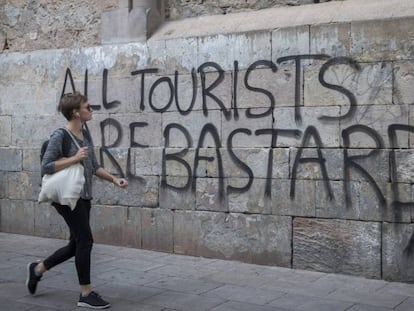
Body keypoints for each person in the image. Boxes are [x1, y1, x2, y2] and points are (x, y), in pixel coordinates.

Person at [26, 92, 128, 309]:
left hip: (83, 195)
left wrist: (113, 179)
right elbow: (46, 166)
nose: (91, 110)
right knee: (86, 241)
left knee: (76, 244)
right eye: (87, 107)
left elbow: (92, 165)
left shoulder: (85, 132)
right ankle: (86, 293)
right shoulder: (60, 135)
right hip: (66, 197)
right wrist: (74, 158)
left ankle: (38, 269)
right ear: (75, 112)